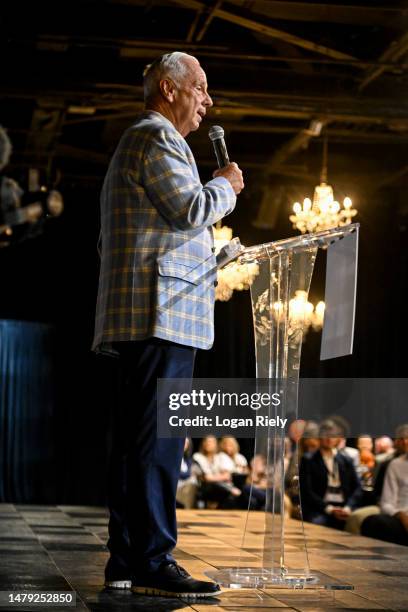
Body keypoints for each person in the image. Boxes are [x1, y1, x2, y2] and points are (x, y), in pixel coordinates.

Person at [92, 51, 244, 598]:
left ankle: (128, 561)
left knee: (140, 444)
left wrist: (220, 259)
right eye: (200, 88)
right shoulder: (155, 136)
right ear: (167, 88)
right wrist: (225, 183)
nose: (208, 100)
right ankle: (153, 561)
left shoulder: (149, 140)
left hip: (157, 314)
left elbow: (167, 233)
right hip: (159, 318)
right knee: (157, 444)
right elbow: (189, 208)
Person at [299, 420, 362, 529]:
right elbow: (306, 491)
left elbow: (357, 487)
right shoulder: (308, 459)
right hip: (320, 508)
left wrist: (348, 507)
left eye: (333, 435)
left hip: (344, 506)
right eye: (325, 435)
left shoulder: (346, 460)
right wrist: (330, 509)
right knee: (318, 524)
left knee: (357, 523)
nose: (329, 439)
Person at [361, 424, 408, 545]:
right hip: (400, 517)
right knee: (372, 522)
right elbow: (386, 502)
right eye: (402, 438)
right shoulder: (395, 464)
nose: (405, 442)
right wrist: (401, 515)